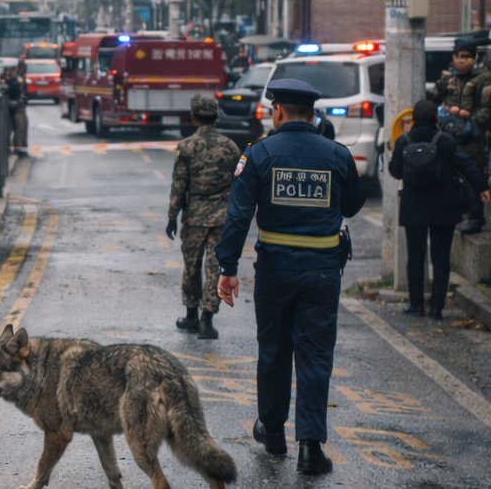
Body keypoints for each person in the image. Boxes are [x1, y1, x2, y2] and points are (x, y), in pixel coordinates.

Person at [214, 79, 367, 475]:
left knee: (274, 351)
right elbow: (352, 206)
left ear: (277, 110)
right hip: (322, 272)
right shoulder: (337, 154)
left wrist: (226, 269)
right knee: (315, 356)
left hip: (275, 271)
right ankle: (311, 448)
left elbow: (238, 217)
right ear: (313, 114)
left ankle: (272, 431)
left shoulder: (259, 154)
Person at [389, 99, 490, 319]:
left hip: (413, 206)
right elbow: (467, 165)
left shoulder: (403, 141)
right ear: (436, 118)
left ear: (413, 119)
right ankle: (436, 308)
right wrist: (482, 188)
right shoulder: (446, 140)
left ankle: (416, 305)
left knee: (415, 257)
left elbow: (395, 172)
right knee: (441, 259)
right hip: (443, 207)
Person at [166, 94, 241, 339]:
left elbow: (179, 185)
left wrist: (172, 217)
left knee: (191, 266)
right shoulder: (231, 147)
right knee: (214, 267)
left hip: (194, 218)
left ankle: (191, 315)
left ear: (193, 117)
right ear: (217, 115)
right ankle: (207, 320)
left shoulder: (186, 147)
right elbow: (240, 185)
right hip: (222, 219)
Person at [428, 40, 487, 233]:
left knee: (475, 174)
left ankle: (477, 218)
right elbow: (433, 99)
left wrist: (468, 118)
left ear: (474, 57)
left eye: (466, 56)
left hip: (475, 136)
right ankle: (461, 213)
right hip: (451, 135)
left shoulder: (484, 79)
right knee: (452, 175)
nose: (461, 60)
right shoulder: (447, 78)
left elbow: (487, 109)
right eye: (458, 55)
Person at [5, 60, 29, 156]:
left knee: (19, 128)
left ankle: (19, 148)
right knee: (20, 128)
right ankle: (19, 149)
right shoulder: (15, 80)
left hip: (15, 106)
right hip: (16, 107)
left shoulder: (17, 79)